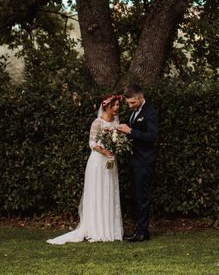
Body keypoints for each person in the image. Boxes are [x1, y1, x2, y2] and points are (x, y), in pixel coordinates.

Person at [47, 94, 124, 244]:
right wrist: (106, 152)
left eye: (118, 105)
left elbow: (117, 140)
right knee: (98, 191)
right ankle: (96, 228)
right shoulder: (97, 122)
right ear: (107, 106)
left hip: (111, 161)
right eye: (115, 105)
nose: (117, 108)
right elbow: (92, 143)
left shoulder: (116, 121)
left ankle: (110, 229)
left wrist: (117, 148)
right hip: (98, 161)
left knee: (109, 191)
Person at [117, 83, 159, 242]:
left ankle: (142, 232)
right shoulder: (134, 112)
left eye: (132, 103)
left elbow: (152, 137)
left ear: (140, 97)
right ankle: (139, 230)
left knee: (142, 197)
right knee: (136, 196)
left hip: (144, 162)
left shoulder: (150, 112)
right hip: (134, 161)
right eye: (128, 103)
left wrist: (131, 131)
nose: (129, 106)